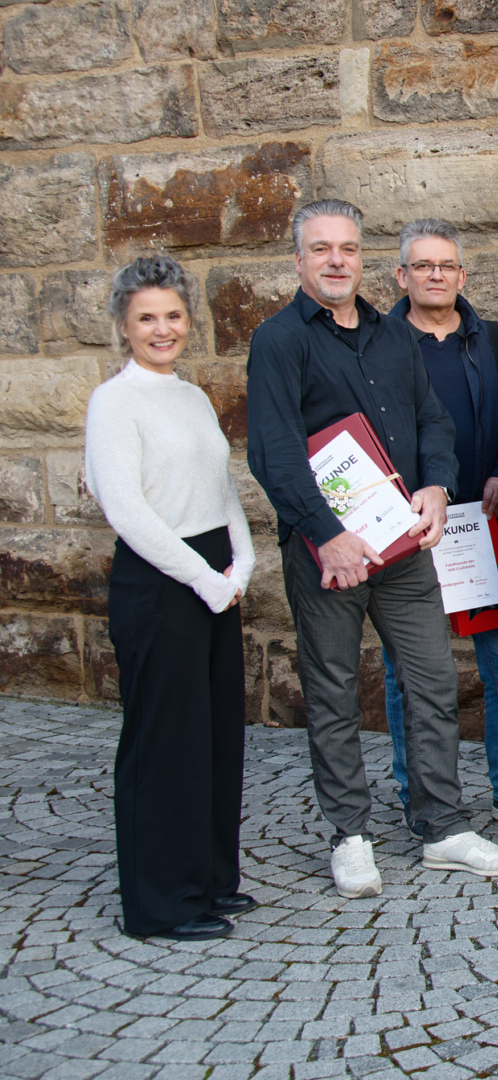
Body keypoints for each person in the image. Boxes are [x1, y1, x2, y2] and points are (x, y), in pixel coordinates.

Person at [246, 199, 498, 899]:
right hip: (328, 556)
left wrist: (436, 486)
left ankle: (442, 827)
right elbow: (273, 452)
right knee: (334, 691)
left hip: (402, 550)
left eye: (347, 248)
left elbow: (433, 421)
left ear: (362, 257)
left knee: (432, 682)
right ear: (299, 260)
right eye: (321, 249)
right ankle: (350, 835)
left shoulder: (392, 335)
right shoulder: (279, 340)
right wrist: (326, 535)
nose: (336, 260)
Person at [86, 255, 255, 941]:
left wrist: (242, 559)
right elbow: (126, 509)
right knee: (164, 740)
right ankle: (161, 903)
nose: (163, 330)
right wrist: (202, 576)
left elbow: (221, 488)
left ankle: (209, 879)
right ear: (124, 326)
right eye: (147, 318)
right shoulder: (114, 401)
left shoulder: (191, 396)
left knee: (214, 733)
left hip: (213, 573)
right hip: (160, 579)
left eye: (174, 316)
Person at [379, 219, 498, 835]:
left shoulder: (493, 341)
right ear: (401, 276)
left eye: (445, 266)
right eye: (422, 265)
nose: (435, 275)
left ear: (461, 274)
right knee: (407, 672)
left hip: (481, 526)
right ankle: (417, 791)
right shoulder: (379, 345)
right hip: (410, 530)